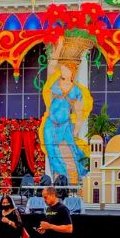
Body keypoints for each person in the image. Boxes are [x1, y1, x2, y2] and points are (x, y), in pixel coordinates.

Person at [40, 39, 89, 183]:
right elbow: (52, 65)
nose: (63, 69)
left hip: (65, 126)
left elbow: (79, 113)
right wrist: (59, 47)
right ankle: (57, 182)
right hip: (50, 125)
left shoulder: (76, 90)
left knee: (71, 153)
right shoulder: (54, 81)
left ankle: (71, 181)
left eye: (67, 67)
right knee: (52, 153)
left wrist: (76, 129)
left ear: (72, 70)